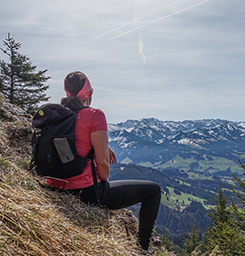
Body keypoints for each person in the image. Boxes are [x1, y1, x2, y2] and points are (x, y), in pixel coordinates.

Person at [46, 71, 161, 252]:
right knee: (154, 190)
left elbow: (72, 142)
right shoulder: (94, 114)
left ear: (66, 92)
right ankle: (143, 249)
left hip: (54, 184)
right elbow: (103, 165)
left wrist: (98, 146)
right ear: (89, 94)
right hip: (86, 192)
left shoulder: (57, 114)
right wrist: (104, 185)